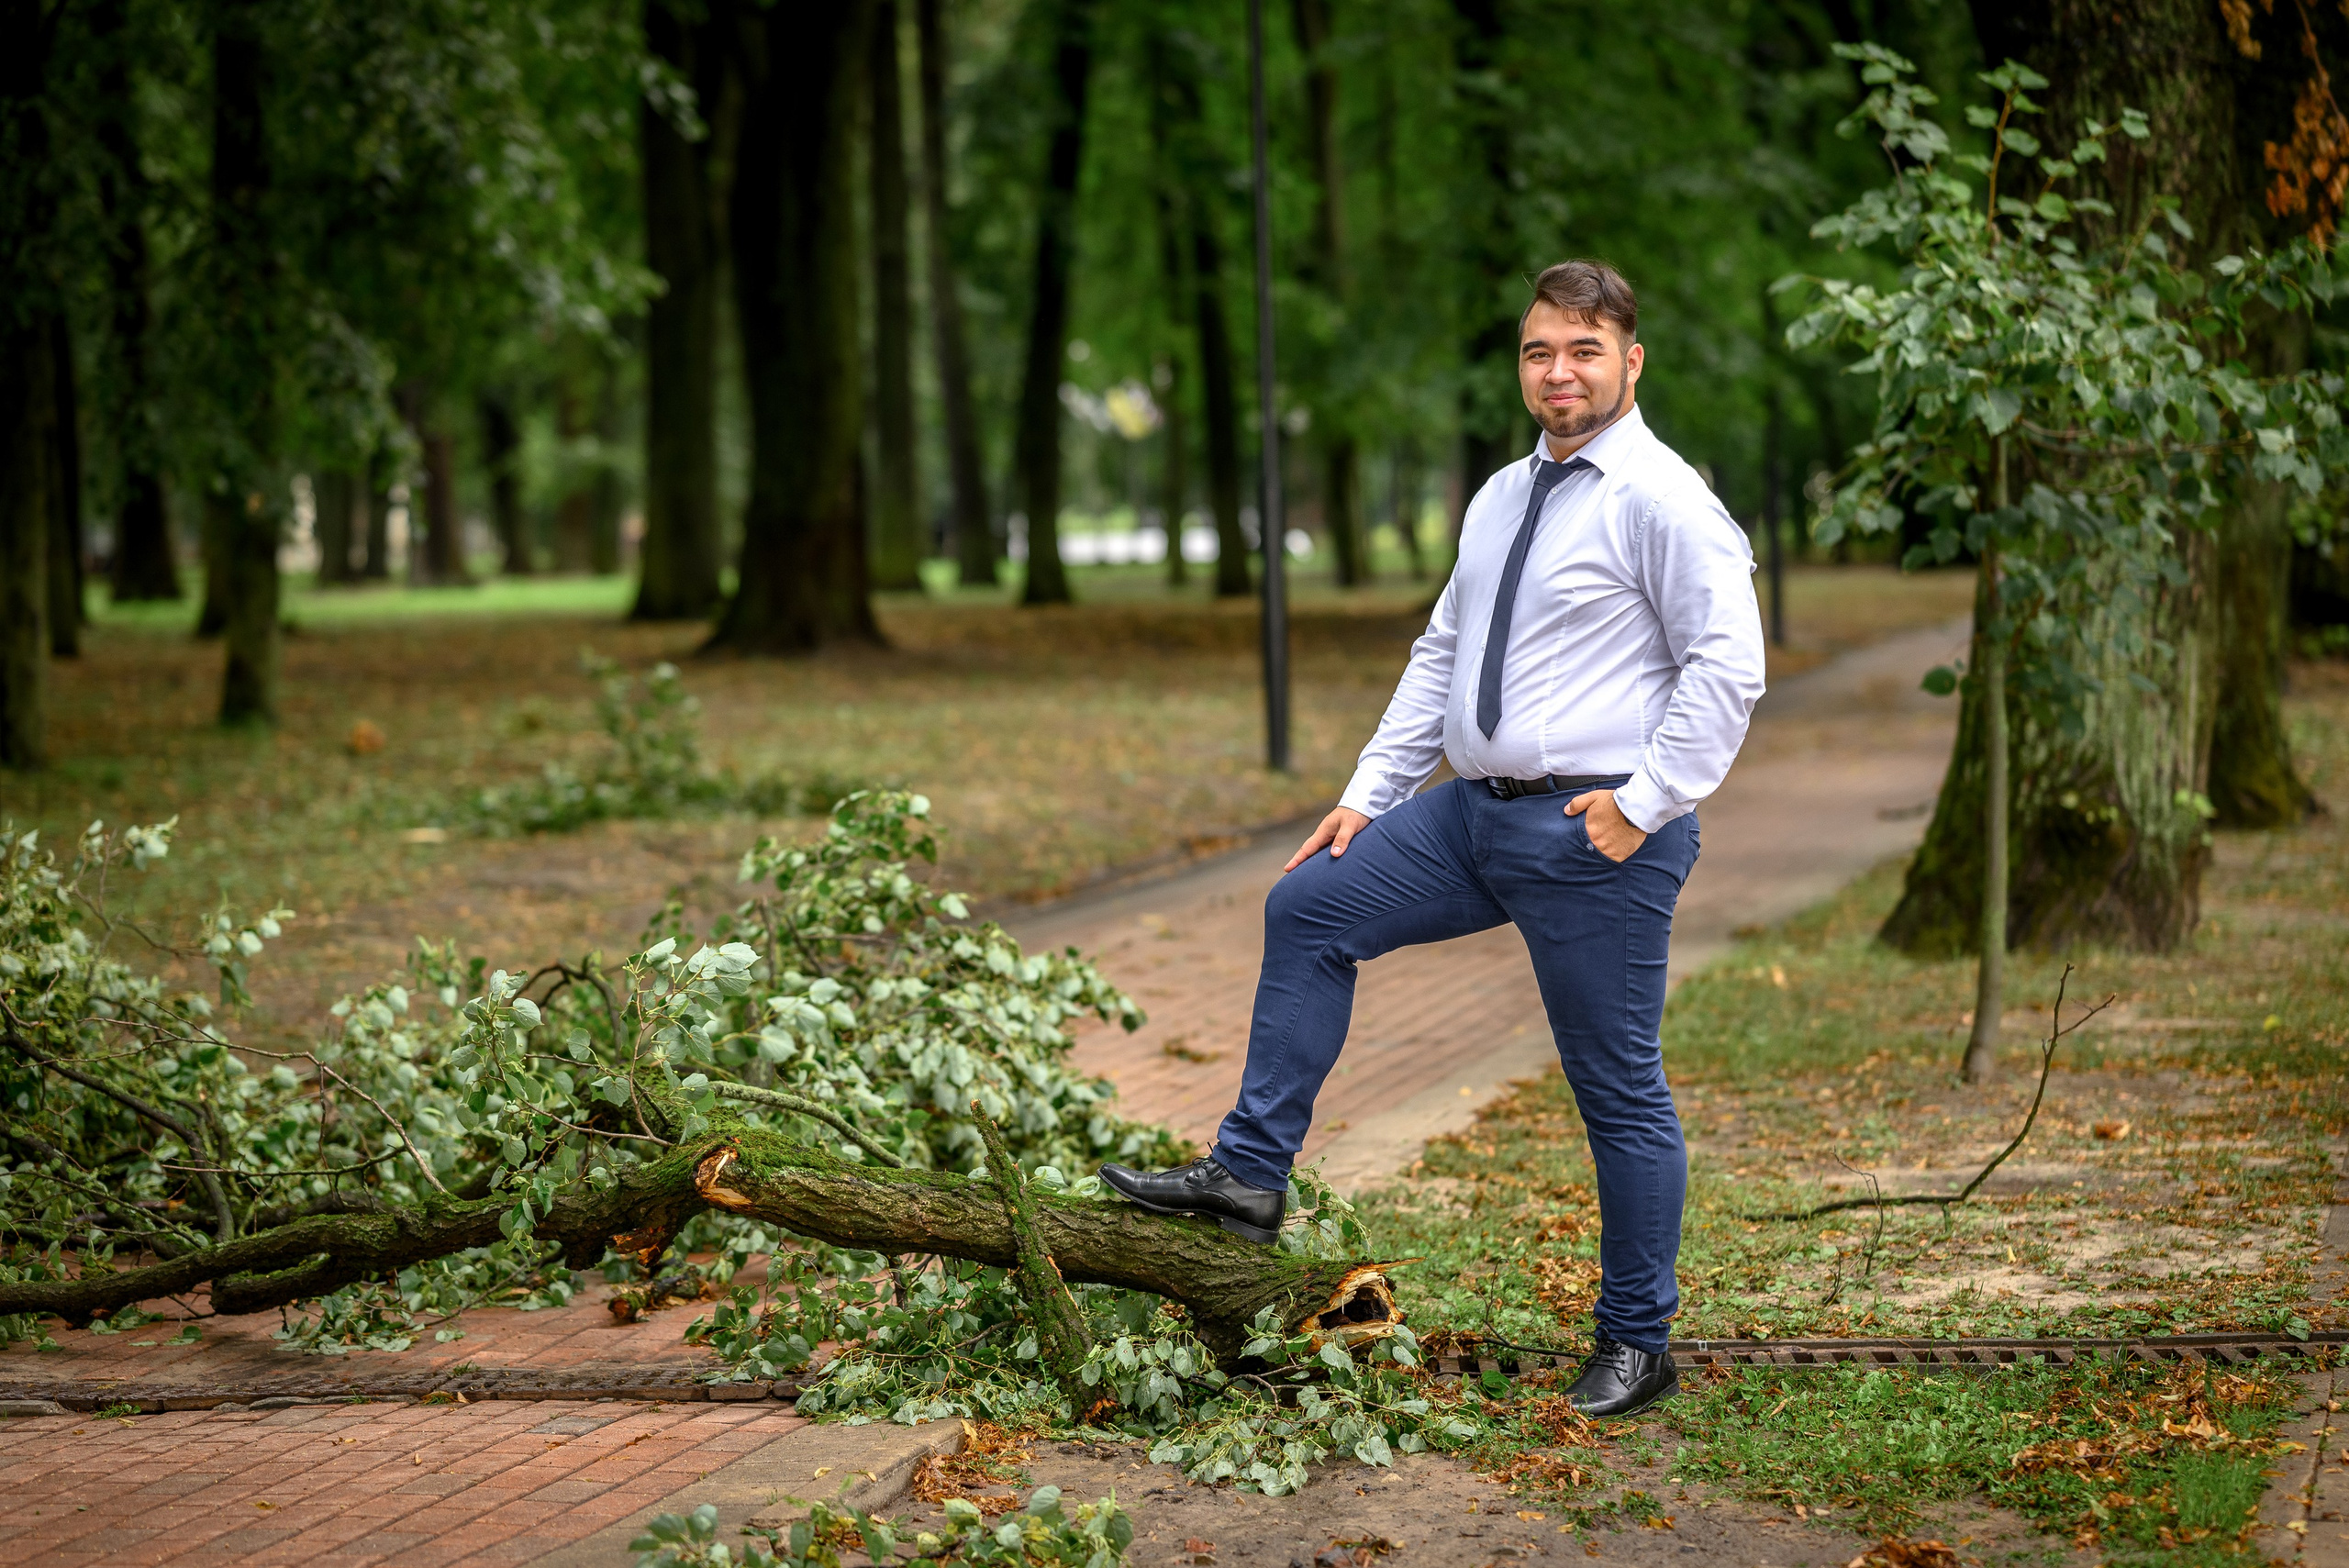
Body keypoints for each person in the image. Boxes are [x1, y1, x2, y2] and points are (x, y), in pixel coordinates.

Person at [1097, 260, 1766, 1418]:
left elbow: (1729, 664)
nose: (1558, 372)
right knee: (1308, 905)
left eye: (1583, 350)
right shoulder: (1503, 492)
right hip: (1469, 813)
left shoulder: (1661, 496)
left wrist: (1643, 802)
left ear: (1630, 361)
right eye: (1537, 351)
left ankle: (1636, 1340)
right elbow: (1441, 651)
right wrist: (1370, 790)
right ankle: (1249, 1177)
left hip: (1593, 828)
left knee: (1616, 1088)